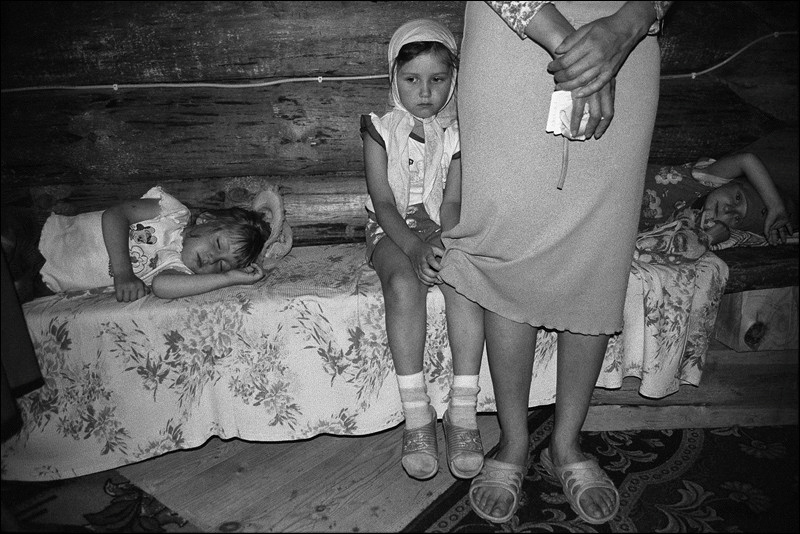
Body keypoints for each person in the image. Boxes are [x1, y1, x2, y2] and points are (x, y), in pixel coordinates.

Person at [438, 0, 672, 525]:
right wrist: (578, 51)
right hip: (515, 38)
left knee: (600, 244)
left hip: (627, 43)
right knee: (513, 243)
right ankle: (514, 441)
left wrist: (624, 27)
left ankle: (566, 442)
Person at [361, 18, 484, 481]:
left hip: (438, 223)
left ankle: (463, 412)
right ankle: (417, 416)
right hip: (390, 226)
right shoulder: (379, 129)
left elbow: (450, 203)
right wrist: (413, 249)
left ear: (453, 80)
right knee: (400, 282)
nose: (426, 91)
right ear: (394, 78)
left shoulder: (457, 136)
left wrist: (451, 246)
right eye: (412, 79)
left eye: (438, 79)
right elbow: (384, 202)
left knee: (464, 280)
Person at [1, 185, 271, 303]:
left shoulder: (179, 270)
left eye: (222, 264)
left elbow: (161, 287)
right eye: (218, 244)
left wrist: (229, 279)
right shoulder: (173, 214)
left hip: (47, 283)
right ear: (206, 220)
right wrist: (123, 273)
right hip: (41, 233)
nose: (213, 258)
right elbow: (115, 214)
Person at [640, 152, 797, 246]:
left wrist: (708, 238)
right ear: (734, 181)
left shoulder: (696, 230)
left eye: (737, 218)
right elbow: (746, 160)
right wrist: (775, 206)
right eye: (738, 198)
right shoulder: (704, 180)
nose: (729, 209)